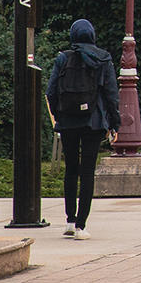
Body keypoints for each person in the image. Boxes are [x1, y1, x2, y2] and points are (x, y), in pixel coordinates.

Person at [45, 18, 120, 240]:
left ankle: (69, 220)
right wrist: (114, 123)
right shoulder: (103, 59)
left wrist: (60, 116)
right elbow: (111, 94)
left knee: (71, 170)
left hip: (68, 122)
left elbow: (51, 92)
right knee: (88, 172)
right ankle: (81, 226)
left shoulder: (62, 58)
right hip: (93, 122)